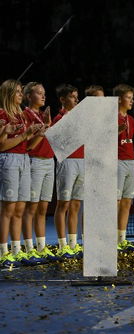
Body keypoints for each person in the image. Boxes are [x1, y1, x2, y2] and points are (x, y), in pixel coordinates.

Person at [0, 79, 45, 267]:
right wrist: (22, 136)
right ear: (9, 94)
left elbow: (27, 146)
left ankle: (17, 251)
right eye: (17, 92)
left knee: (19, 209)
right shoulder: (2, 114)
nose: (20, 94)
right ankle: (3, 252)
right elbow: (2, 146)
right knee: (8, 209)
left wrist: (39, 134)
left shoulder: (21, 116)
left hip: (24, 160)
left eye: (21, 91)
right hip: (8, 160)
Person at [22, 82, 60, 261]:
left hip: (48, 162)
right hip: (34, 162)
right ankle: (29, 248)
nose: (43, 96)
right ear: (29, 96)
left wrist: (47, 125)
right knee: (31, 207)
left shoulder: (42, 116)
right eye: (39, 93)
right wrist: (43, 130)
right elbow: (29, 146)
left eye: (44, 93)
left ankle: (41, 247)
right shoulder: (26, 115)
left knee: (43, 208)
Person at [52, 84, 84, 259]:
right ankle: (62, 244)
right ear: (63, 99)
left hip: (82, 161)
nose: (76, 99)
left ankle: (73, 244)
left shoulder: (80, 118)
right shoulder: (58, 119)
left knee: (76, 205)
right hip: (67, 163)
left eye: (76, 96)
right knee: (63, 204)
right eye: (72, 96)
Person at [114, 84, 134, 251]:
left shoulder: (131, 120)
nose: (132, 101)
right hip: (116, 162)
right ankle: (110, 239)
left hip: (130, 162)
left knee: (127, 201)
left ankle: (121, 239)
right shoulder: (111, 117)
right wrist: (116, 130)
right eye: (128, 98)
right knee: (114, 202)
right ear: (119, 99)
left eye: (132, 98)